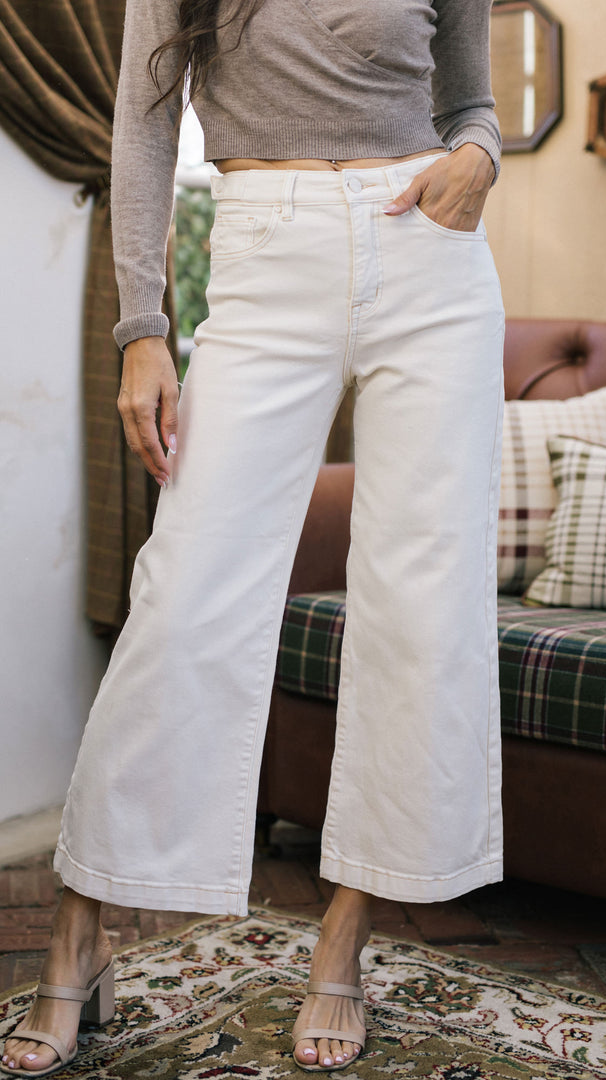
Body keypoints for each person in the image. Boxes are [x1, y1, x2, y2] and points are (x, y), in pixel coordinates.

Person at [1, 0, 505, 1074]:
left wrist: (479, 157)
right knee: (184, 600)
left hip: (433, 255)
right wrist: (144, 328)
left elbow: (471, 103)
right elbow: (141, 122)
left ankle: (342, 939)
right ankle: (80, 934)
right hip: (266, 251)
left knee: (421, 604)